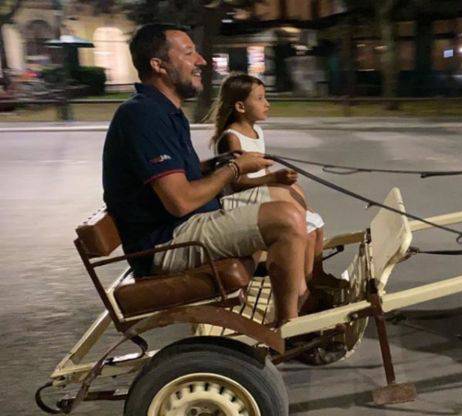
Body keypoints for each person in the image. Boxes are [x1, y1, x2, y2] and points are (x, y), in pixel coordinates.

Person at [102, 23, 308, 325]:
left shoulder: (164, 111)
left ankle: (301, 291)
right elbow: (180, 201)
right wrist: (234, 168)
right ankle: (290, 331)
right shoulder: (142, 116)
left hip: (186, 224)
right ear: (158, 65)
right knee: (285, 220)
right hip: (167, 241)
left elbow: (179, 174)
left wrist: (219, 163)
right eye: (188, 53)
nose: (201, 60)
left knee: (287, 195)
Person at [208, 73, 332, 285]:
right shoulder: (232, 138)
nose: (267, 104)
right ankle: (305, 285)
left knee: (317, 224)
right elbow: (237, 183)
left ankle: (317, 277)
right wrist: (274, 178)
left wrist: (280, 182)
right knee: (308, 232)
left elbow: (262, 175)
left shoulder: (257, 132)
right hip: (241, 201)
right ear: (240, 106)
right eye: (260, 99)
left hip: (259, 195)